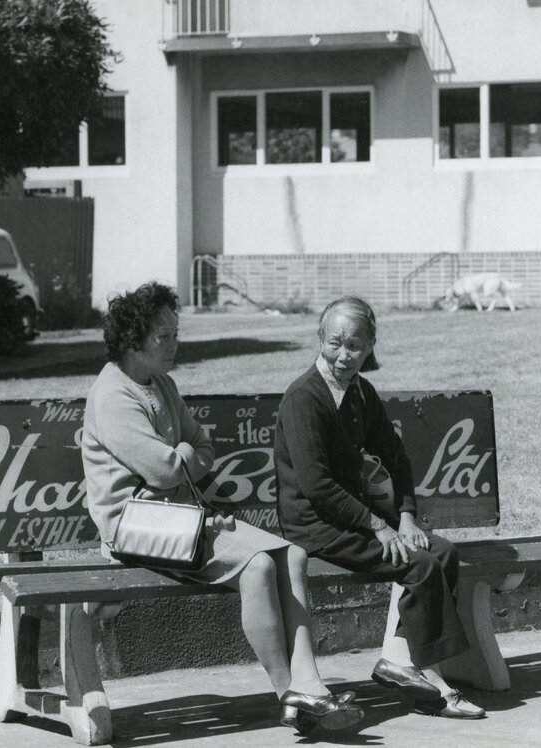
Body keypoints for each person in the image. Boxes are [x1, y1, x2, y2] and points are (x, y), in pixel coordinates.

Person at [81, 282, 363, 734]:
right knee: (257, 567)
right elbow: (165, 469)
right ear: (134, 340)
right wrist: (186, 461)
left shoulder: (162, 384)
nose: (176, 345)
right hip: (137, 530)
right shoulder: (114, 394)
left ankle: (310, 682)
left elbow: (201, 447)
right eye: (165, 336)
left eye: (176, 333)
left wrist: (186, 463)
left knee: (292, 554)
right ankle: (288, 693)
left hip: (182, 520)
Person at [274, 295, 485, 719]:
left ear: (370, 347)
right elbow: (316, 487)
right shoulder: (304, 399)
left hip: (352, 518)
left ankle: (400, 658)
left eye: (355, 346)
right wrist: (378, 525)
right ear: (319, 338)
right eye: (334, 343)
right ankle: (434, 684)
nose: (343, 355)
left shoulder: (360, 393)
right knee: (420, 565)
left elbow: (396, 456)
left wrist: (405, 517)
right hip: (314, 526)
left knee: (442, 551)